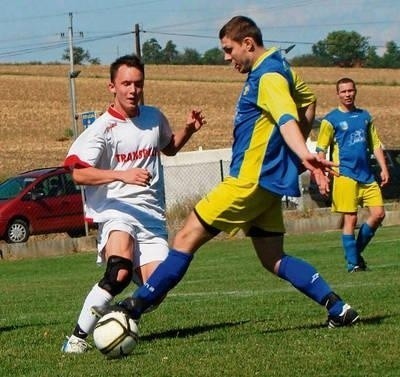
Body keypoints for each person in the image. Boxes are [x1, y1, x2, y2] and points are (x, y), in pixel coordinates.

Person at [94, 16, 359, 329]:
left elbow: (288, 117)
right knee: (273, 257)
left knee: (186, 236)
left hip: (248, 181)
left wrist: (302, 153)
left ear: (248, 43)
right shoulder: (283, 66)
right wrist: (288, 155)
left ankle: (133, 308)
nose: (226, 57)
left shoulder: (268, 76)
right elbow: (308, 101)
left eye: (228, 49)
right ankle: (338, 308)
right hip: (268, 184)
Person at [61, 54, 205, 353]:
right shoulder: (102, 129)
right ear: (111, 86)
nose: (132, 90)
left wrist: (189, 129)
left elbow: (170, 148)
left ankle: (116, 320)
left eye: (138, 84)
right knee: (120, 272)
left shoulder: (154, 117)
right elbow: (78, 173)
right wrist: (121, 175)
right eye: (126, 83)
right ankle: (76, 339)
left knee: (157, 288)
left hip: (151, 217)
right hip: (118, 210)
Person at [316, 77, 389, 272]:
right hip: (344, 174)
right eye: (343, 91)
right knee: (351, 218)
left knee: (379, 214)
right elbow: (321, 150)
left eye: (350, 90)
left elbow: (375, 144)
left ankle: (354, 255)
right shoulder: (330, 120)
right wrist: (322, 175)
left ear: (355, 91)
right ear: (337, 94)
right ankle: (353, 264)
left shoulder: (365, 116)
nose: (348, 94)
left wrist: (383, 167)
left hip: (366, 175)